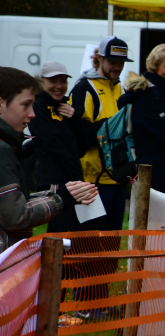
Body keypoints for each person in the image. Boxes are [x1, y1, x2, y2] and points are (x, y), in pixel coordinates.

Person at [69, 36, 132, 232]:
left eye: (121, 63)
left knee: (111, 244)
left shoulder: (120, 88)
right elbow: (78, 135)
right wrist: (110, 128)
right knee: (90, 246)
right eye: (112, 62)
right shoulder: (84, 88)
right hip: (92, 182)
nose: (117, 67)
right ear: (99, 58)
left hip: (118, 179)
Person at [118, 44, 165, 201]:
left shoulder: (162, 93)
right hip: (156, 176)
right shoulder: (151, 97)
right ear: (155, 66)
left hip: (157, 172)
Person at [29, 61, 98, 234]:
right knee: (61, 233)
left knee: (73, 232)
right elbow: (55, 147)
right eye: (53, 81)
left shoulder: (66, 108)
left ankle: (68, 262)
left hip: (73, 182)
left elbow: (81, 148)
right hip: (55, 182)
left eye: (63, 81)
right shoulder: (38, 107)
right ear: (41, 82)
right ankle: (55, 262)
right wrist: (78, 180)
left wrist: (75, 118)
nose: (59, 86)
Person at [0, 67, 64, 253]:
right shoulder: (2, 150)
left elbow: (13, 202)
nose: (32, 114)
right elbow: (16, 217)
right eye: (25, 105)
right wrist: (62, 200)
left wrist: (59, 194)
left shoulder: (8, 144)